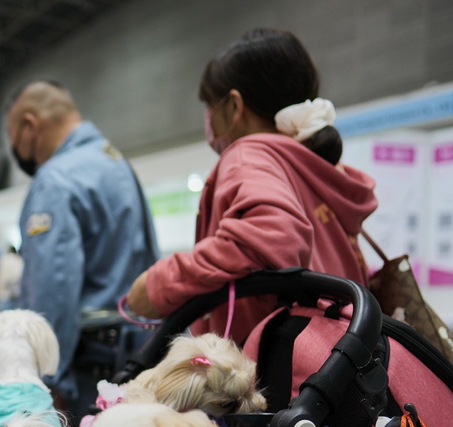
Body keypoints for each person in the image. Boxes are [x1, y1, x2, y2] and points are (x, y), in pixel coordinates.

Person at [126, 28, 376, 344]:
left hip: (277, 377)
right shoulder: (315, 166)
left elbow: (276, 232)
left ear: (233, 106)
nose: (208, 118)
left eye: (210, 105)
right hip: (336, 365)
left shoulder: (249, 154)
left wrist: (161, 283)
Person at [5, 80, 159, 421]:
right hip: (136, 352)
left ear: (30, 126)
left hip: (88, 366)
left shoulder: (55, 181)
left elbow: (52, 290)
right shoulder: (116, 163)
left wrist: (46, 378)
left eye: (11, 135)